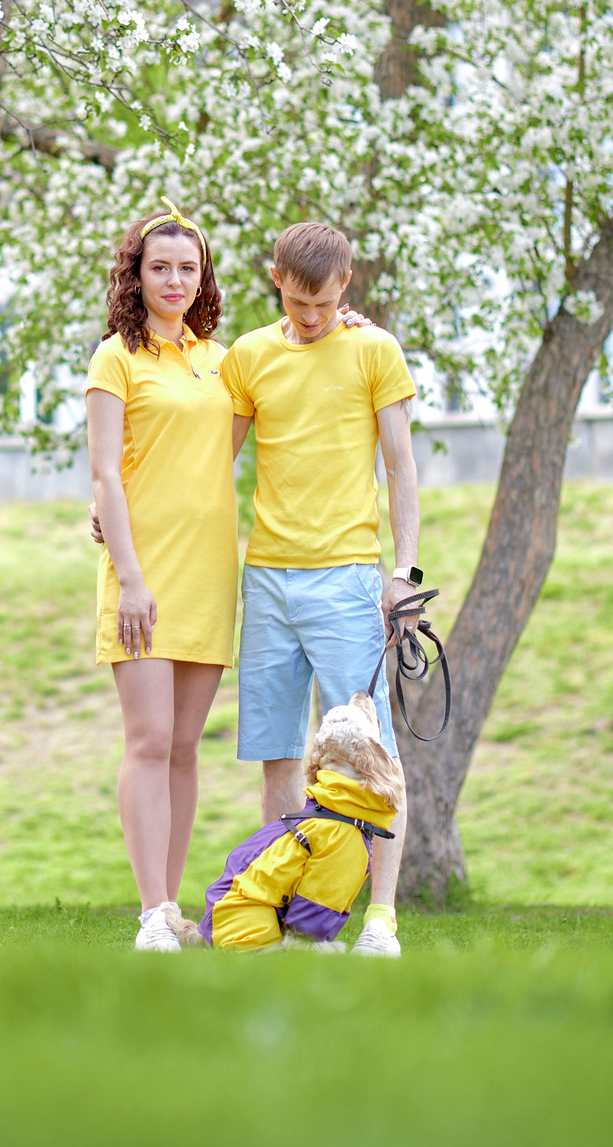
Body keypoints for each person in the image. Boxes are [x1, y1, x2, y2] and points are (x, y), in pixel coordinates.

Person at [222, 221, 423, 959]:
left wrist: (403, 573)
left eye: (327, 304)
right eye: (301, 303)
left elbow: (401, 467)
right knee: (279, 753)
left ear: (348, 286)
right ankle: (284, 925)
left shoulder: (374, 349)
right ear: (276, 276)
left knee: (372, 750)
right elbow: (215, 459)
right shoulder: (248, 356)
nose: (313, 318)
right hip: (267, 579)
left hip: (346, 578)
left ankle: (379, 920)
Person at [87, 202, 234, 953]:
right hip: (141, 576)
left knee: (184, 747)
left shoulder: (221, 358)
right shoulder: (116, 356)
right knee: (147, 740)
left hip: (210, 574)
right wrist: (131, 576)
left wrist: (347, 321)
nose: (174, 279)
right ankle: (151, 912)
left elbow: (295, 359)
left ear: (201, 274)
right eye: (159, 267)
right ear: (136, 275)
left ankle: (174, 908)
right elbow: (106, 475)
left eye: (186, 267)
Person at [199, 692, 401, 951]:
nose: (360, 698)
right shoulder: (341, 832)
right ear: (370, 757)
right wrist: (310, 943)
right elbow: (313, 913)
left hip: (229, 913)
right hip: (242, 928)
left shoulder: (325, 816)